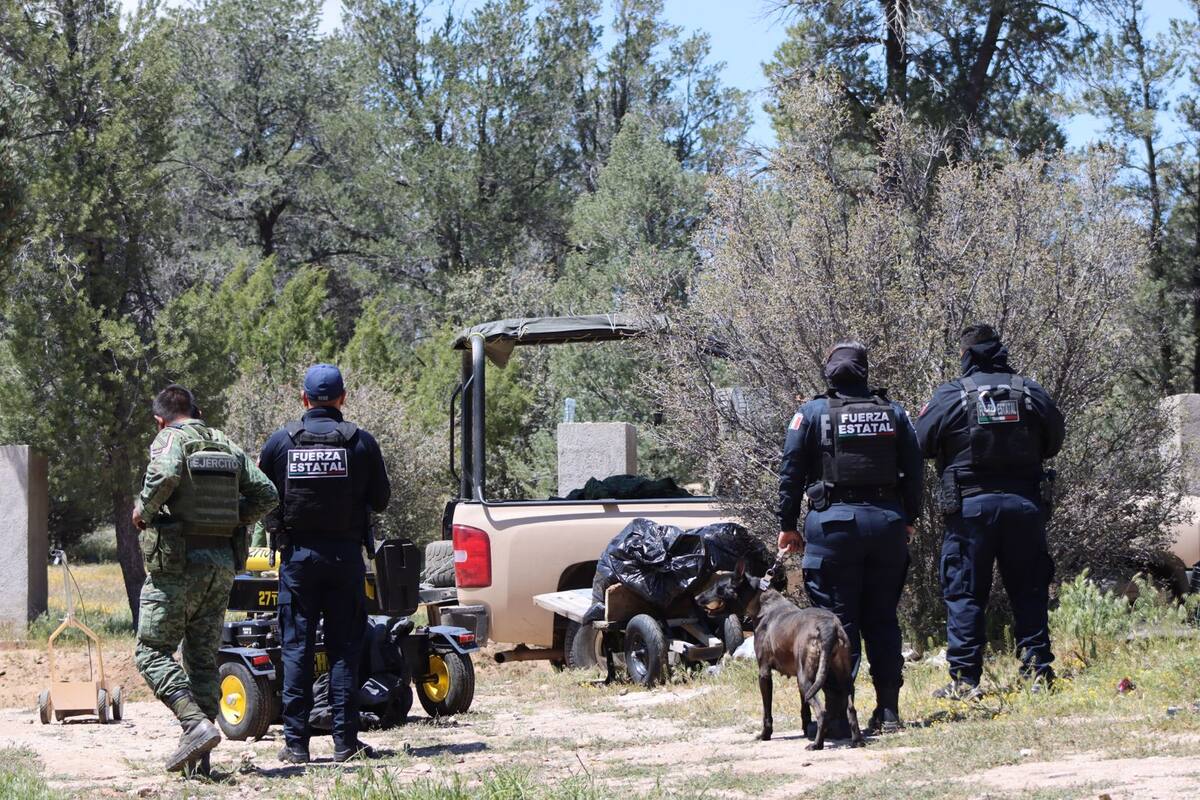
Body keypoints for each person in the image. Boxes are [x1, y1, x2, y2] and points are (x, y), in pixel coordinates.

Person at [132, 384, 278, 774]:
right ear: (196, 409)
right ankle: (202, 763)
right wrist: (232, 516)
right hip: (221, 567)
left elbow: (163, 473)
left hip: (178, 567)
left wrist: (142, 510)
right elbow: (267, 494)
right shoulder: (225, 443)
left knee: (150, 652)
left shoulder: (170, 438)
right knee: (202, 661)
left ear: (160, 419)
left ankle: (193, 723)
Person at [777, 342, 922, 734]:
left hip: (833, 531)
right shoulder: (894, 413)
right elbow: (915, 468)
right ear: (865, 372)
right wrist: (909, 517)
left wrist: (787, 525)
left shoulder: (810, 414)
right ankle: (888, 712)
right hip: (887, 525)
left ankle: (839, 718)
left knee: (837, 624)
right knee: (882, 619)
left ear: (829, 373)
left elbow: (790, 474)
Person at [915, 324, 1065, 700]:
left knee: (965, 592)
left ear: (966, 355)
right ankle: (1037, 672)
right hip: (1024, 506)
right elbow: (1055, 440)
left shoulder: (952, 395)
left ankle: (966, 680)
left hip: (971, 510)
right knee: (1029, 589)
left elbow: (921, 442)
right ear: (1000, 351)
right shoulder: (1029, 391)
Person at [258, 364, 391, 763]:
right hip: (345, 557)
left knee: (297, 649)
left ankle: (296, 745)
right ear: (342, 398)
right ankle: (345, 743)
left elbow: (262, 496)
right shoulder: (361, 443)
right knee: (344, 649)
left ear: (304, 399)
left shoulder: (281, 443)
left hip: (297, 559)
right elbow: (381, 500)